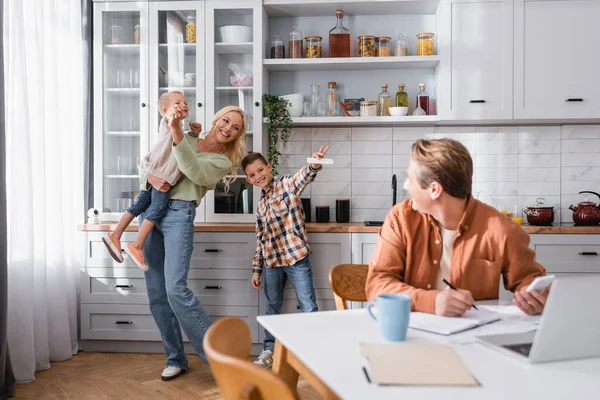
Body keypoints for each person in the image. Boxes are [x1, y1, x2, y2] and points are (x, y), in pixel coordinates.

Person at [365, 138, 549, 317]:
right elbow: (377, 285)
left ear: (434, 190)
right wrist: (431, 301)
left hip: (472, 339)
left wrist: (534, 297)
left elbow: (529, 280)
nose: (406, 185)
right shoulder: (400, 219)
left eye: (410, 178)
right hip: (411, 334)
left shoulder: (501, 229)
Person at [139, 104, 248, 381]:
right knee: (157, 294)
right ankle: (175, 358)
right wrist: (148, 176)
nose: (228, 128)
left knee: (176, 289)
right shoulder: (187, 136)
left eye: (235, 127)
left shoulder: (223, 162)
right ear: (216, 119)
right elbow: (149, 161)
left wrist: (176, 130)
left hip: (179, 215)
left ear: (237, 135)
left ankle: (219, 359)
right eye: (226, 120)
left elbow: (194, 170)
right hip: (151, 211)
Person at [242, 146, 330, 368]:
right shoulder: (260, 206)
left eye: (260, 170)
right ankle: (269, 351)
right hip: (272, 263)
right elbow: (260, 239)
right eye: (252, 175)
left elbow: (305, 176)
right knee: (272, 307)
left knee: (308, 305)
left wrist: (314, 164)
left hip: (296, 259)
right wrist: (256, 270)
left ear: (269, 167)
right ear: (248, 180)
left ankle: (314, 351)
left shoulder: (287, 185)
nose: (258, 176)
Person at [102, 91, 203, 271]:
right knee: (156, 211)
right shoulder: (168, 124)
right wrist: (171, 117)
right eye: (177, 103)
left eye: (186, 102)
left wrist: (194, 133)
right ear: (165, 111)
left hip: (153, 173)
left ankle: (115, 235)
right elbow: (172, 127)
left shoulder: (177, 128)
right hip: (163, 177)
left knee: (138, 205)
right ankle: (137, 246)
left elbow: (184, 145)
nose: (184, 105)